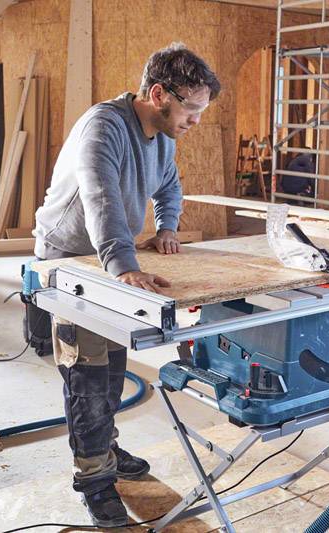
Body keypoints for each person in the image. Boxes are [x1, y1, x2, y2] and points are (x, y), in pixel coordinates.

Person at [33, 43, 220, 527]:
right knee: (89, 373)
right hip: (68, 261)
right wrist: (122, 263)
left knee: (114, 365)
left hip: (107, 259)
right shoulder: (104, 126)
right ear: (159, 94)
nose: (195, 121)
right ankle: (94, 481)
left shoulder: (163, 136)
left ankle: (106, 449)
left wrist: (168, 227)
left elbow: (169, 185)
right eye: (191, 110)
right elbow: (100, 195)